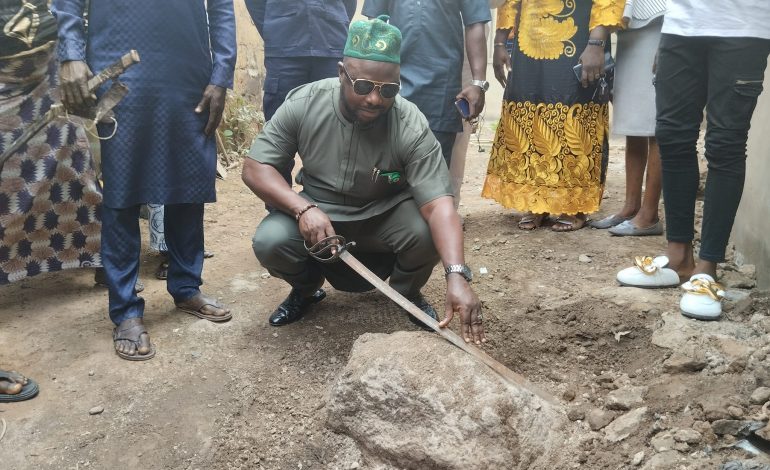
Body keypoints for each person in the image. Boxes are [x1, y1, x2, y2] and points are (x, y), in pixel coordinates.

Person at [243, 16, 485, 344]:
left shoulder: (409, 122)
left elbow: (440, 204)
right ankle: (305, 291)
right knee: (270, 240)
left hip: (383, 215)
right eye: (363, 86)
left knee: (426, 232)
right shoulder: (305, 103)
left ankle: (405, 294)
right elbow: (256, 167)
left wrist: (457, 275)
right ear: (342, 73)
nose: (374, 99)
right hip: (320, 211)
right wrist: (302, 209)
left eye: (389, 90)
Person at [52, 0, 236, 360]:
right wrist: (70, 54)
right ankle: (126, 311)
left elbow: (222, 7)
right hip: (118, 65)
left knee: (188, 183)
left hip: (188, 70)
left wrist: (221, 74)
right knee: (122, 189)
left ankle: (186, 286)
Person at [616, 2, 770, 320]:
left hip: (744, 27)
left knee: (725, 144)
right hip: (682, 24)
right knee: (671, 137)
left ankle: (707, 268)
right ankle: (678, 258)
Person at [484, 0, 624, 232]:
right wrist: (500, 42)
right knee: (529, 107)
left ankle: (574, 205)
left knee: (574, 108)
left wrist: (597, 42)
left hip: (579, 35)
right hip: (528, 37)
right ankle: (536, 200)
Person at [0, 0, 102, 286]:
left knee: (77, 171)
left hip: (54, 77)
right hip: (7, 84)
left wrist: (73, 56)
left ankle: (99, 256)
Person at [361, 0, 491, 167]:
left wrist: (479, 83)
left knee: (435, 170)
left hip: (442, 88)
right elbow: (375, 23)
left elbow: (475, 24)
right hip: (393, 84)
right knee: (387, 171)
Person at [244, 0, 356, 186]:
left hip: (331, 44)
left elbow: (349, 4)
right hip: (284, 47)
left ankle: (329, 204)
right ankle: (278, 209)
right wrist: (275, 29)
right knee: (278, 137)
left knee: (334, 133)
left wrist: (333, 19)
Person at [591, 0, 665, 237]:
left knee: (654, 122)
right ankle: (631, 206)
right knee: (634, 121)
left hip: (662, 23)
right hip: (629, 25)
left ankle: (650, 214)